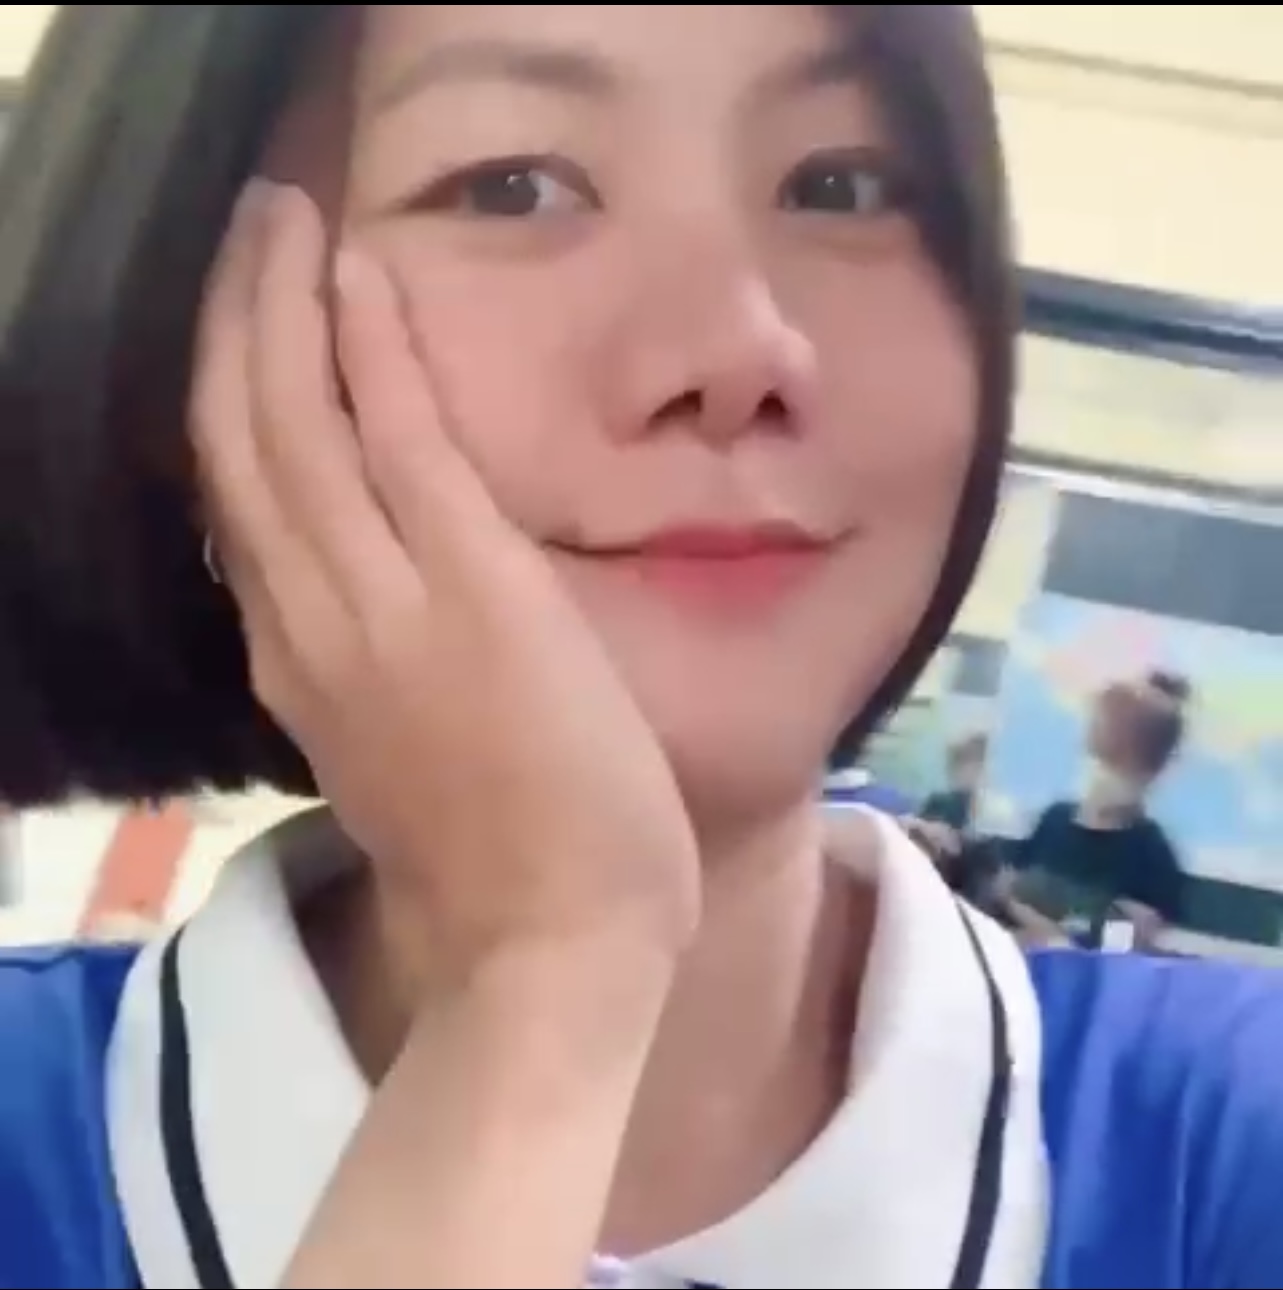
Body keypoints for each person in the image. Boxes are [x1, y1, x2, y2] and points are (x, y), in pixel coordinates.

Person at [0, 7, 1279, 1288]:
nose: (741, 350)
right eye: (512, 186)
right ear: (175, 333)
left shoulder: (1227, 1138)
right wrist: (540, 990)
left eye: (839, 185)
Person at [1006, 671, 1189, 950]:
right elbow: (1008, 898)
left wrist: (1046, 931)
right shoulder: (1053, 821)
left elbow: (1124, 950)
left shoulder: (1152, 854)